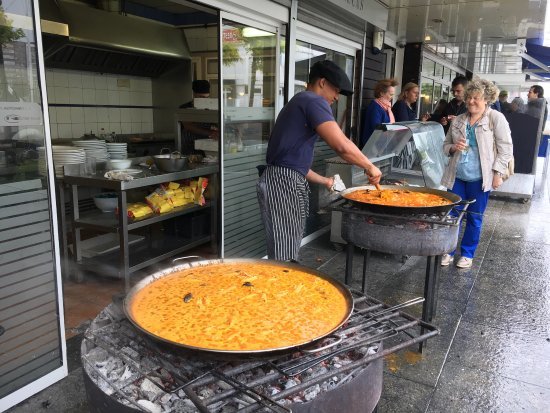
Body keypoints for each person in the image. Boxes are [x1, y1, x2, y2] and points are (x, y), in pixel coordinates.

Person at [257, 60, 382, 261]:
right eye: (335, 90)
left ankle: (284, 287)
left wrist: (325, 181)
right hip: (282, 182)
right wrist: (369, 166)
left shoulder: (299, 102)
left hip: (279, 179)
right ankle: (285, 291)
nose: (336, 96)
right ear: (322, 82)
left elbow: (294, 165)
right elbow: (340, 144)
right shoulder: (312, 100)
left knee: (283, 248)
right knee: (285, 254)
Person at [440, 78, 513, 269]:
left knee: (474, 216)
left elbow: (506, 149)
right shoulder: (459, 119)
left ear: (487, 99)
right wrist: (454, 147)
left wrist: (498, 173)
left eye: (476, 98)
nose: (471, 101)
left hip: (480, 178)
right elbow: (445, 146)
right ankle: (447, 250)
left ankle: (467, 253)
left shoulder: (495, 118)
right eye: (469, 97)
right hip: (457, 176)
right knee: (452, 214)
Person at [179, 80, 219, 154]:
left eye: (206, 97)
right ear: (194, 94)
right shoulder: (184, 108)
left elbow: (217, 122)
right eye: (201, 97)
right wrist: (210, 133)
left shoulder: (212, 107)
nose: (204, 100)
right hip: (189, 145)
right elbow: (188, 126)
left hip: (207, 145)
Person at [360, 78, 399, 148]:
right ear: (381, 93)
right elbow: (376, 127)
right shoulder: (375, 107)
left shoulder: (386, 106)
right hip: (373, 147)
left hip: (381, 145)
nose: (392, 97)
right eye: (390, 94)